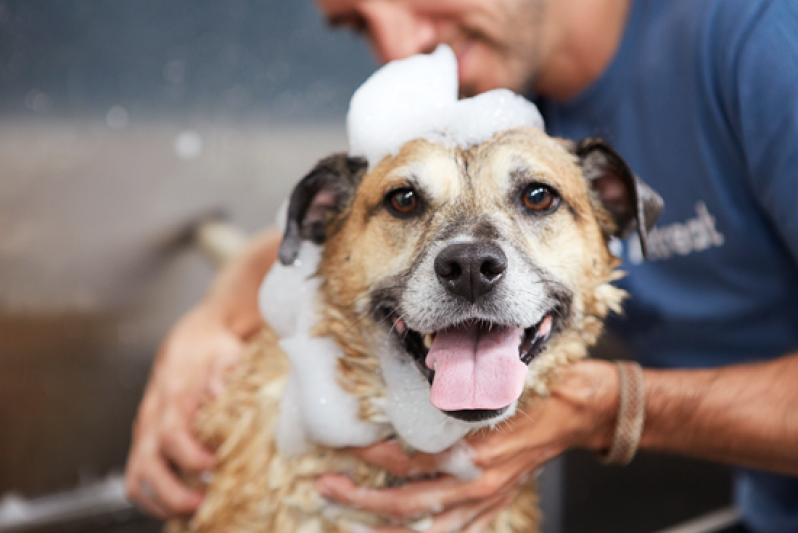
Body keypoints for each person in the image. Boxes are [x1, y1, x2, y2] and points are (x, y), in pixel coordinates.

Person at [125, 0, 798, 531]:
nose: (397, 46)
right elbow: (336, 231)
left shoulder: (765, 42)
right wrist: (210, 320)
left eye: (536, 196)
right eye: (355, 22)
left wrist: (612, 408)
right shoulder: (500, 89)